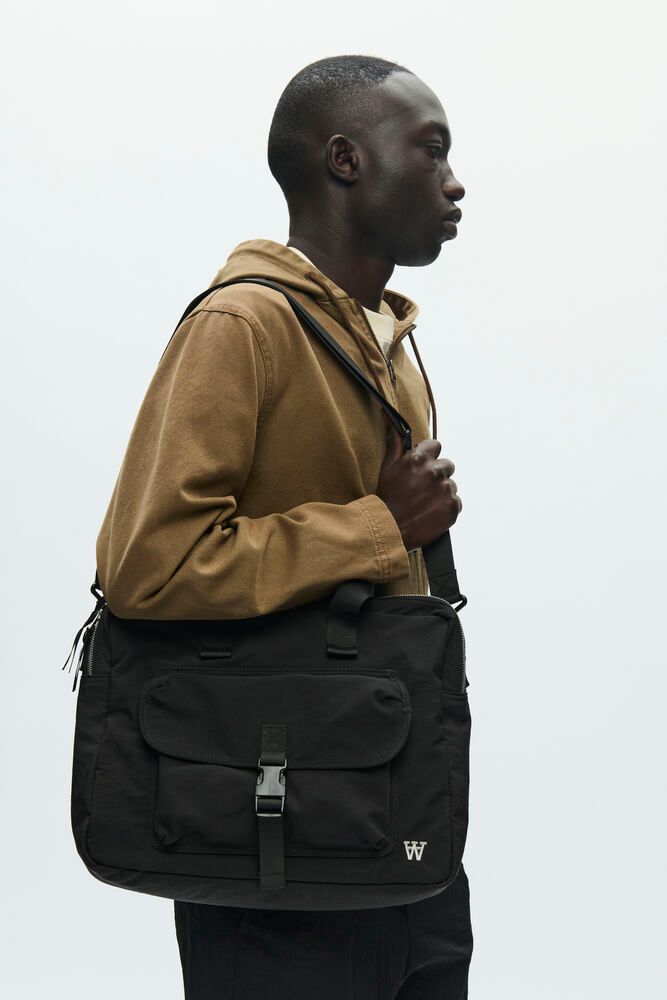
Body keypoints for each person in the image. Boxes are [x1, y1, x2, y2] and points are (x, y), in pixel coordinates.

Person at [95, 53, 471, 999]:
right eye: (430, 151)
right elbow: (149, 566)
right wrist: (378, 525)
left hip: (397, 813)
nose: (454, 183)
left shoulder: (387, 342)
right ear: (345, 159)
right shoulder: (243, 326)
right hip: (271, 829)